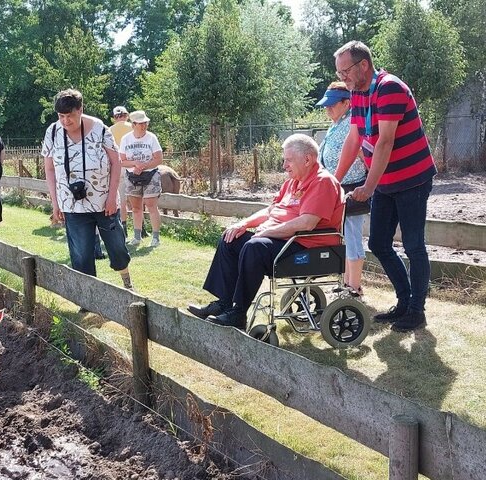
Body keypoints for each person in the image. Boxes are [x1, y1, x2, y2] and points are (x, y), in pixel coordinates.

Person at [187, 134, 344, 329]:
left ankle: (238, 314)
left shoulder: (322, 182)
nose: (284, 165)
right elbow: (271, 210)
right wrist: (243, 224)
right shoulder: (291, 182)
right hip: (283, 241)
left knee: (255, 247)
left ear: (307, 159)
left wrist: (266, 233)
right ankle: (224, 303)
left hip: (306, 246)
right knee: (230, 238)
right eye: (284, 160)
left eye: (288, 160)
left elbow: (307, 223)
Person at [333, 41, 437, 332]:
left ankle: (417, 311)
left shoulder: (389, 87)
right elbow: (354, 140)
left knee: (414, 245)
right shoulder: (358, 94)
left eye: (345, 72)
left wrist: (367, 186)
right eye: (340, 73)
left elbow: (385, 142)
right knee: (378, 242)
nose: (343, 79)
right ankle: (404, 302)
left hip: (412, 179)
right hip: (386, 182)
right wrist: (333, 179)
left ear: (363, 65)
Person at [42, 89, 133, 290]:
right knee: (81, 254)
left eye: (70, 116)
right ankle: (89, 296)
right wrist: (55, 203)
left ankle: (127, 281)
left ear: (80, 110)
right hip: (71, 204)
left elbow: (116, 162)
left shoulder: (99, 128)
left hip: (104, 202)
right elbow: (49, 168)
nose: (65, 121)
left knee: (117, 248)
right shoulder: (53, 132)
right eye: (61, 116)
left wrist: (111, 197)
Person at [316, 81, 369, 297]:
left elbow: (365, 157)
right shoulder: (336, 124)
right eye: (326, 105)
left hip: (352, 189)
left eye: (332, 104)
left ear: (347, 103)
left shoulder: (352, 125)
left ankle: (354, 287)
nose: (328, 108)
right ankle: (347, 282)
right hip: (336, 189)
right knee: (343, 236)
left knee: (353, 236)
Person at [119, 110, 163, 247]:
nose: (144, 126)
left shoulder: (151, 138)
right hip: (132, 176)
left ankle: (156, 237)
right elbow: (122, 161)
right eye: (140, 123)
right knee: (136, 207)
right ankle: (137, 237)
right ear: (133, 124)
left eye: (145, 123)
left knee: (151, 205)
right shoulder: (126, 139)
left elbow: (158, 159)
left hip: (150, 174)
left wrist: (143, 166)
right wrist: (134, 164)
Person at [109, 106, 133, 236]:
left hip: (119, 166)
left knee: (122, 198)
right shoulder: (133, 127)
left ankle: (123, 226)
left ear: (114, 118)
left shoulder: (109, 130)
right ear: (127, 115)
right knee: (137, 197)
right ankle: (140, 227)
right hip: (134, 164)